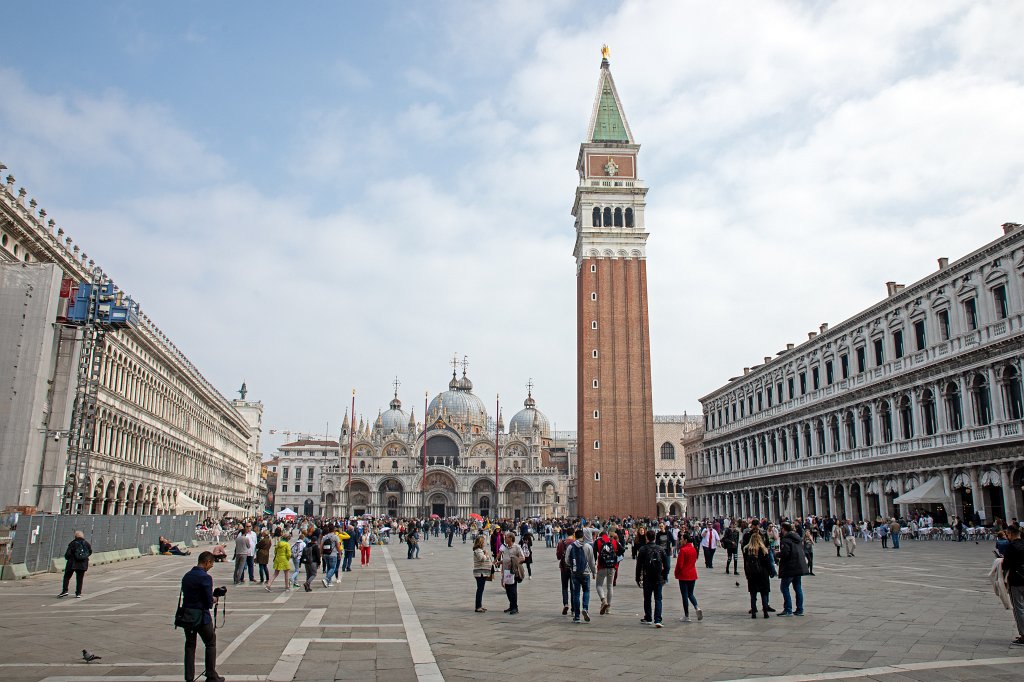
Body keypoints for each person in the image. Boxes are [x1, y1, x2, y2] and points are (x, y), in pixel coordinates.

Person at [180, 551, 225, 682]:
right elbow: (208, 602)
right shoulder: (205, 578)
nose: (211, 567)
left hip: (187, 616)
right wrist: (215, 599)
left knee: (189, 646)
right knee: (210, 643)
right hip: (201, 616)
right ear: (207, 562)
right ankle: (211, 674)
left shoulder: (187, 576)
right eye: (211, 564)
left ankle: (189, 677)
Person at [635, 529, 669, 628]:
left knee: (647, 598)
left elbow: (639, 566)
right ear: (655, 538)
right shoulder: (660, 549)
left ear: (647, 538)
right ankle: (658, 619)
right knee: (658, 599)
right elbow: (666, 565)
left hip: (647, 577)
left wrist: (637, 578)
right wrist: (664, 576)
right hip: (658, 577)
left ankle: (648, 617)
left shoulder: (643, 549)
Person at [777, 521, 807, 616]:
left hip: (790, 567)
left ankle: (788, 609)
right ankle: (800, 609)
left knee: (784, 587)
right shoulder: (797, 538)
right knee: (798, 587)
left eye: (781, 529)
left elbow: (785, 553)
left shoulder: (786, 540)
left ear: (784, 529)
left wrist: (776, 554)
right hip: (799, 566)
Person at [1001, 524, 1024, 646]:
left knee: (1019, 608)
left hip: (1016, 580)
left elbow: (1005, 565)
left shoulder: (1010, 546)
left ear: (1010, 534)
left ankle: (1023, 635)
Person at [568, 529, 596, 624]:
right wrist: (594, 572)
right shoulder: (588, 546)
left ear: (575, 536)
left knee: (576, 594)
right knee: (586, 591)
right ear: (583, 536)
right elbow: (592, 561)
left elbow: (567, 560)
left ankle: (577, 617)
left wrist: (572, 566)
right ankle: (585, 608)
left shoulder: (571, 547)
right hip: (586, 572)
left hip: (575, 573)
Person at [744, 530, 773, 619]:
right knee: (764, 593)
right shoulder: (764, 550)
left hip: (752, 574)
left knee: (753, 594)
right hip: (763, 574)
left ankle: (753, 612)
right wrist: (771, 572)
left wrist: (747, 574)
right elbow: (768, 563)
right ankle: (765, 612)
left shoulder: (747, 550)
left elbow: (746, 564)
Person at [674, 531, 701, 622]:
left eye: (681, 539)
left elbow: (680, 565)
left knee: (684, 595)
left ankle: (687, 615)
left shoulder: (683, 550)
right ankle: (697, 607)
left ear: (685, 540)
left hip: (684, 576)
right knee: (690, 594)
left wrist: (676, 573)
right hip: (692, 574)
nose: (680, 541)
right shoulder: (694, 549)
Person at [58, 530, 92, 598]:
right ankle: (78, 593)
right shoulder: (87, 544)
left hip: (72, 563)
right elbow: (90, 552)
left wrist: (69, 558)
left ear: (75, 536)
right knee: (80, 578)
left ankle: (65, 591)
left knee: (67, 577)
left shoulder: (73, 543)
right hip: (82, 564)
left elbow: (67, 554)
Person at [499, 531, 525, 615]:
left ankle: (515, 607)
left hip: (513, 571)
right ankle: (511, 605)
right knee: (507, 589)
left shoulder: (517, 547)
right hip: (506, 571)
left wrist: (514, 561)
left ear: (510, 538)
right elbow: (505, 559)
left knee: (513, 589)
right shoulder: (505, 548)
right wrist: (500, 562)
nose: (505, 539)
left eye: (506, 537)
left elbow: (522, 558)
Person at [594, 526, 618, 615]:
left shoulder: (598, 541)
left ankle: (603, 601)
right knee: (610, 586)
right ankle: (608, 608)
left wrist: (593, 567)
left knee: (599, 585)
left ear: (600, 536)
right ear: (607, 535)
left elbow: (594, 555)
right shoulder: (613, 541)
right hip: (612, 566)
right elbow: (622, 550)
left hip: (602, 566)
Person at [555, 531, 575, 616]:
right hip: (573, 569)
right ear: (573, 534)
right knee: (573, 588)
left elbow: (559, 556)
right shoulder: (575, 543)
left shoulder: (561, 543)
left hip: (563, 568)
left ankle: (566, 604)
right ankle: (573, 609)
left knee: (564, 587)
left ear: (566, 534)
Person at [472, 535, 493, 612]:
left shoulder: (480, 550)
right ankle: (478, 607)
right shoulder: (478, 550)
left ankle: (479, 605)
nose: (484, 543)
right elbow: (482, 559)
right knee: (480, 589)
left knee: (481, 589)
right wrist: (486, 554)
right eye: (483, 542)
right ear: (480, 543)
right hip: (480, 572)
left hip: (482, 572)